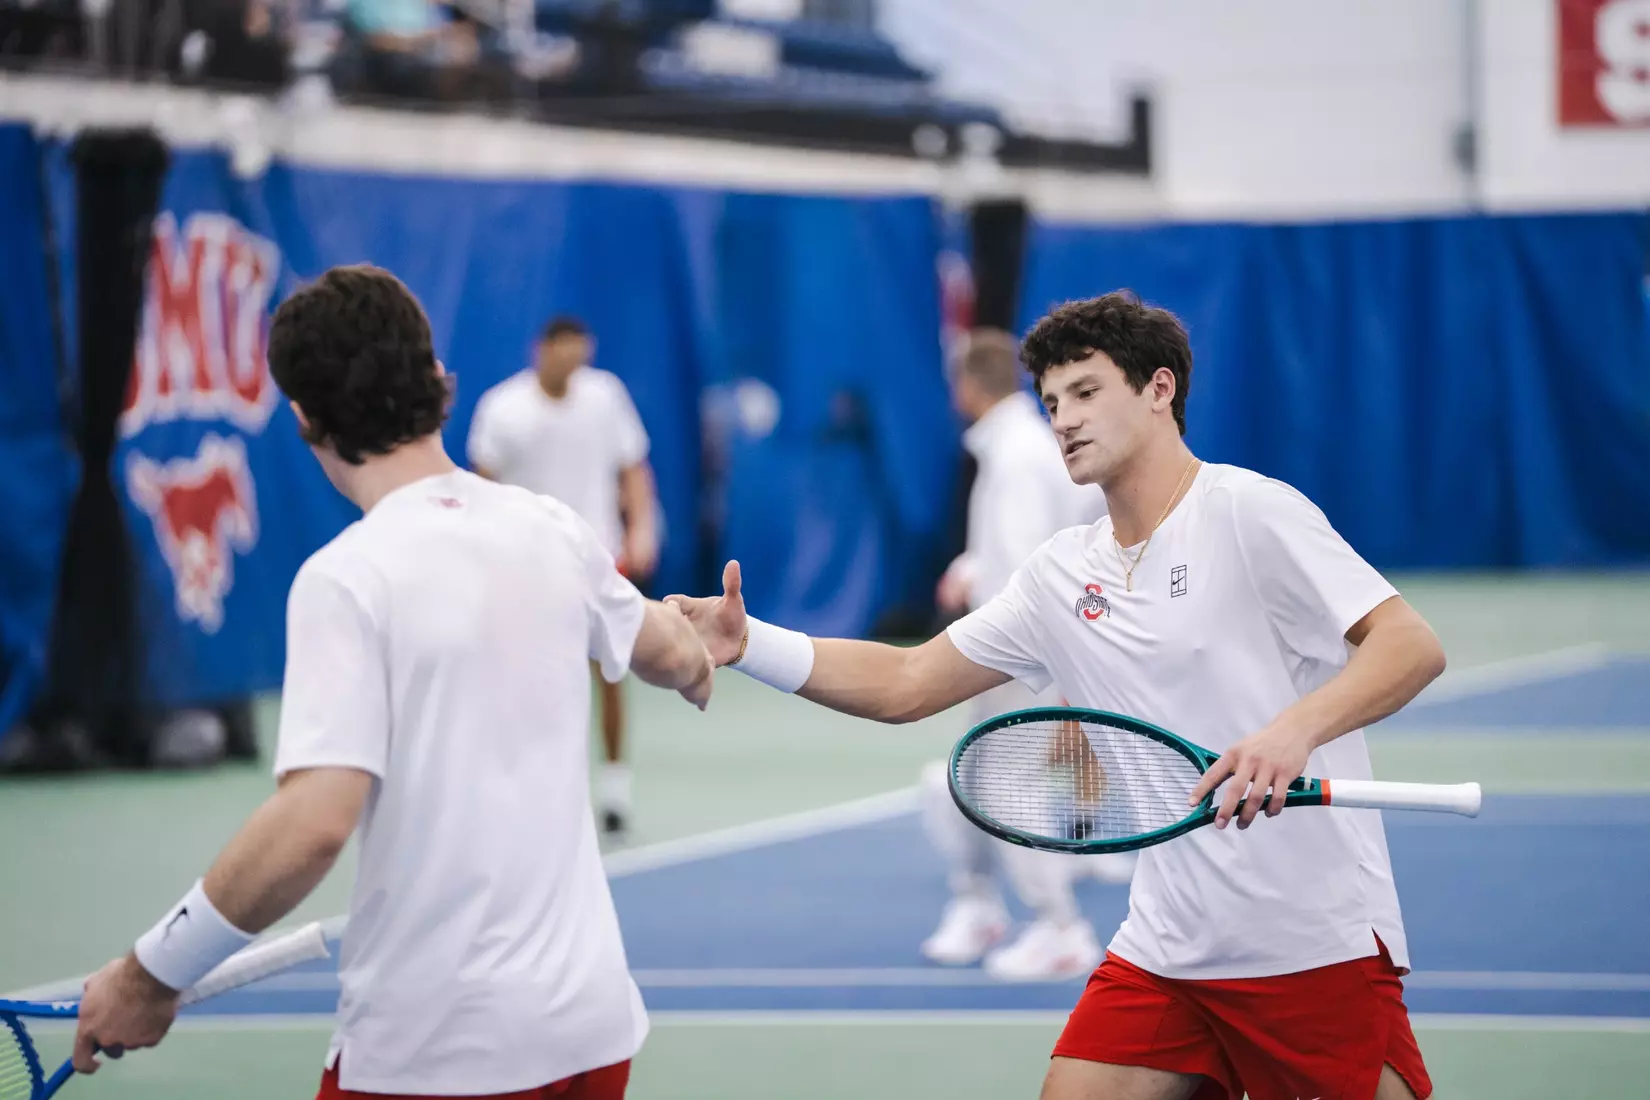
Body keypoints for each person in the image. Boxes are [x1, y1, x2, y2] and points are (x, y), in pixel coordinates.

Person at [668, 291, 1445, 1100]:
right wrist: (748, 644)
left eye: (1085, 392)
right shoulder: (1060, 575)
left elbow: (1409, 645)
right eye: (1050, 402)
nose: (1064, 419)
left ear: (1159, 388)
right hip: (1169, 945)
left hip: (1307, 940)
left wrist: (1295, 731)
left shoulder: (1250, 513)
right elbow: (906, 682)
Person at [71, 265, 713, 1100]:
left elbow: (312, 825)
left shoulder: (346, 580)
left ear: (304, 417)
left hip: (436, 1049)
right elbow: (676, 655)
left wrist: (149, 973)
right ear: (435, 378)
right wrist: (708, 641)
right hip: (591, 1038)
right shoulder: (554, 528)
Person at [922, 328, 1129, 982]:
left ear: (966, 385)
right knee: (965, 781)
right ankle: (980, 905)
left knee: (1003, 788)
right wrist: (971, 566)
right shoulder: (1019, 448)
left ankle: (1060, 929)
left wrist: (1046, 667)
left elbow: (1023, 570)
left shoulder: (1016, 456)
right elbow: (1034, 549)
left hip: (1013, 658)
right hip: (1012, 655)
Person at [468, 316, 659, 839]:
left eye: (581, 355)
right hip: (527, 567)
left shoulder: (605, 397)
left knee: (610, 673)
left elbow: (632, 467)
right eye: (565, 353)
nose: (573, 363)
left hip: (599, 558)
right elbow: (484, 490)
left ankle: (615, 789)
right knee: (535, 680)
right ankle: (534, 793)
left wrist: (641, 528)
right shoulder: (502, 409)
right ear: (542, 350)